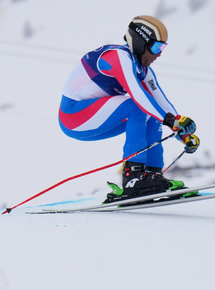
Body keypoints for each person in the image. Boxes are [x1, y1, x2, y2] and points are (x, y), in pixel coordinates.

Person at [58, 15, 200, 203]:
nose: (159, 55)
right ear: (141, 43)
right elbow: (138, 95)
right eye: (156, 48)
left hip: (93, 118)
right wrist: (173, 121)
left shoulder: (143, 70)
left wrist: (182, 133)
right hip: (73, 115)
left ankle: (152, 175)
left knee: (153, 113)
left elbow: (161, 103)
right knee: (139, 107)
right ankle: (133, 177)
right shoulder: (119, 57)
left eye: (162, 49)